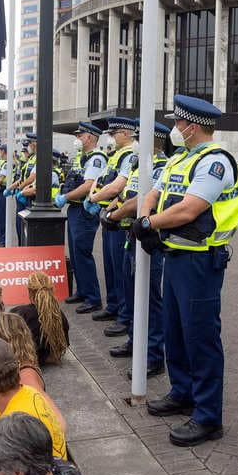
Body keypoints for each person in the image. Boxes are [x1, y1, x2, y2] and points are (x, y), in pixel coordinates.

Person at [133, 94, 238, 447]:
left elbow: (188, 210)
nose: (175, 129)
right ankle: (183, 392)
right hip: (176, 256)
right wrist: (147, 215)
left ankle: (209, 416)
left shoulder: (215, 162)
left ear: (191, 126)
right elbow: (153, 192)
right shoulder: (181, 159)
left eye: (178, 124)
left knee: (201, 337)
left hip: (201, 262)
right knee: (175, 330)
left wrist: (149, 224)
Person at [103, 120, 173, 377]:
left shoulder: (160, 166)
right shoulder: (139, 164)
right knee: (133, 291)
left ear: (154, 140)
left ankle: (153, 355)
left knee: (150, 298)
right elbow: (126, 195)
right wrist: (113, 207)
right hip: (131, 235)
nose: (134, 142)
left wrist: (115, 214)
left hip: (149, 238)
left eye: (138, 138)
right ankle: (135, 341)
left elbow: (139, 201)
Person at [85, 118, 137, 329]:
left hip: (119, 219)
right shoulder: (116, 155)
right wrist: (96, 199)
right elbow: (101, 180)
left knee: (120, 269)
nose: (111, 137)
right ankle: (114, 306)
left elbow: (118, 187)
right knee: (110, 265)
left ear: (125, 133)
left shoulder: (129, 155)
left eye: (114, 134)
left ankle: (124, 316)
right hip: (109, 215)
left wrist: (93, 200)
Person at [54, 122, 107, 314]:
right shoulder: (81, 157)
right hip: (74, 209)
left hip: (84, 211)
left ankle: (93, 298)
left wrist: (65, 197)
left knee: (83, 254)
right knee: (76, 253)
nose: (77, 139)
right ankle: (82, 291)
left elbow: (88, 185)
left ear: (90, 137)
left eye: (80, 135)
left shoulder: (96, 159)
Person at [11, 271, 69, 365]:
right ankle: (47, 357)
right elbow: (65, 342)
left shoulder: (21, 313)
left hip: (29, 357)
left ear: (30, 291)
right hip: (49, 354)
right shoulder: (58, 314)